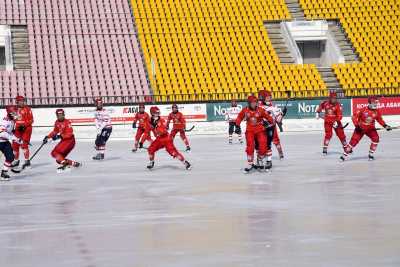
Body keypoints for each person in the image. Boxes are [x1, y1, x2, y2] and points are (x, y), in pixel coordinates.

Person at [340, 96, 392, 161]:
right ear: (370, 103)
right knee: (353, 142)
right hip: (360, 129)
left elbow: (379, 119)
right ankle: (344, 155)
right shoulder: (363, 109)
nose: (376, 104)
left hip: (370, 129)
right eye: (374, 103)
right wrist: (357, 126)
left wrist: (385, 126)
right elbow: (354, 117)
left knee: (376, 139)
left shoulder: (377, 111)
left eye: (376, 103)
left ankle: (371, 154)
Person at [236, 95, 274, 173]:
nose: (254, 104)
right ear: (249, 103)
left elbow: (268, 117)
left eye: (255, 102)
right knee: (250, 146)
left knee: (263, 145)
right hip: (250, 130)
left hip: (260, 130)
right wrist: (237, 126)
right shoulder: (245, 110)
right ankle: (250, 163)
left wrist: (270, 121)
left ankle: (260, 159)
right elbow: (239, 117)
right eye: (252, 103)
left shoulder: (260, 110)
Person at [258, 90, 285, 160]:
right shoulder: (259, 107)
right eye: (267, 98)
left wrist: (282, 114)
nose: (269, 99)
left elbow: (278, 120)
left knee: (276, 140)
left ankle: (280, 152)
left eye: (270, 97)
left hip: (272, 127)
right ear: (263, 98)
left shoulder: (273, 107)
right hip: (262, 128)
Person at [12, 95, 34, 168]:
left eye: (23, 101)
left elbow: (31, 120)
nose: (22, 102)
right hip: (17, 129)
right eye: (20, 101)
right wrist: (12, 128)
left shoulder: (28, 109)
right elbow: (14, 120)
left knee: (24, 145)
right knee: (15, 145)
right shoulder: (14, 110)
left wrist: (24, 125)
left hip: (26, 129)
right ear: (17, 102)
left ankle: (27, 161)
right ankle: (16, 161)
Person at [0, 106, 20, 181]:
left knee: (10, 157)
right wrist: (14, 138)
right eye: (14, 112)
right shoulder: (4, 121)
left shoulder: (12, 120)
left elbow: (10, 132)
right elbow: (2, 133)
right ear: (9, 113)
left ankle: (4, 173)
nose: (16, 114)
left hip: (5, 142)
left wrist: (17, 139)